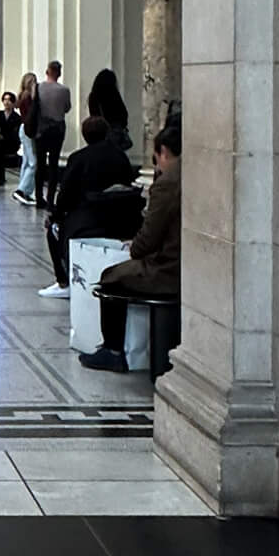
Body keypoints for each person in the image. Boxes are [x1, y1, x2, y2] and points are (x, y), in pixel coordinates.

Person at [82, 119, 182, 370]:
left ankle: (113, 350)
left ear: (164, 153)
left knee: (110, 277)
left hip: (168, 269)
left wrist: (134, 247)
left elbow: (147, 239)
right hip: (185, 263)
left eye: (156, 158)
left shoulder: (168, 183)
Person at [39, 114, 139, 295]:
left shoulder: (79, 158)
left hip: (89, 220)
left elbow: (65, 195)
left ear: (85, 136)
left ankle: (63, 282)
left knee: (53, 230)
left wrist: (55, 214)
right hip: (122, 219)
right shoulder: (121, 156)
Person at [32, 60, 71, 209]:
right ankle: (50, 200)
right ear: (59, 73)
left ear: (47, 72)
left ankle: (38, 197)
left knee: (40, 164)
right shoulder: (64, 90)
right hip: (57, 129)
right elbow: (67, 108)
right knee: (53, 164)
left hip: (41, 130)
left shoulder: (38, 88)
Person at [87, 66, 135, 164]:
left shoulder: (94, 97)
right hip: (116, 133)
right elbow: (124, 115)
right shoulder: (115, 96)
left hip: (101, 133)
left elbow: (94, 115)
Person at [12, 71, 40, 204]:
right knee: (34, 163)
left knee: (26, 161)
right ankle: (22, 190)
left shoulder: (22, 96)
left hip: (23, 128)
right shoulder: (29, 97)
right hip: (29, 129)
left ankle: (25, 191)